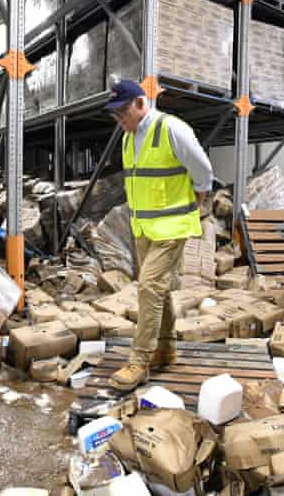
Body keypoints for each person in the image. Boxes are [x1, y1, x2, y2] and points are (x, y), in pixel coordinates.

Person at [104, 80, 214, 391]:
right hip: (144, 228)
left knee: (149, 287)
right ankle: (166, 348)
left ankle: (139, 360)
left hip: (172, 227)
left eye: (123, 112)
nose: (120, 119)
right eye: (115, 115)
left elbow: (203, 171)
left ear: (141, 103)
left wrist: (197, 201)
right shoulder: (128, 137)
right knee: (159, 291)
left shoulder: (171, 129)